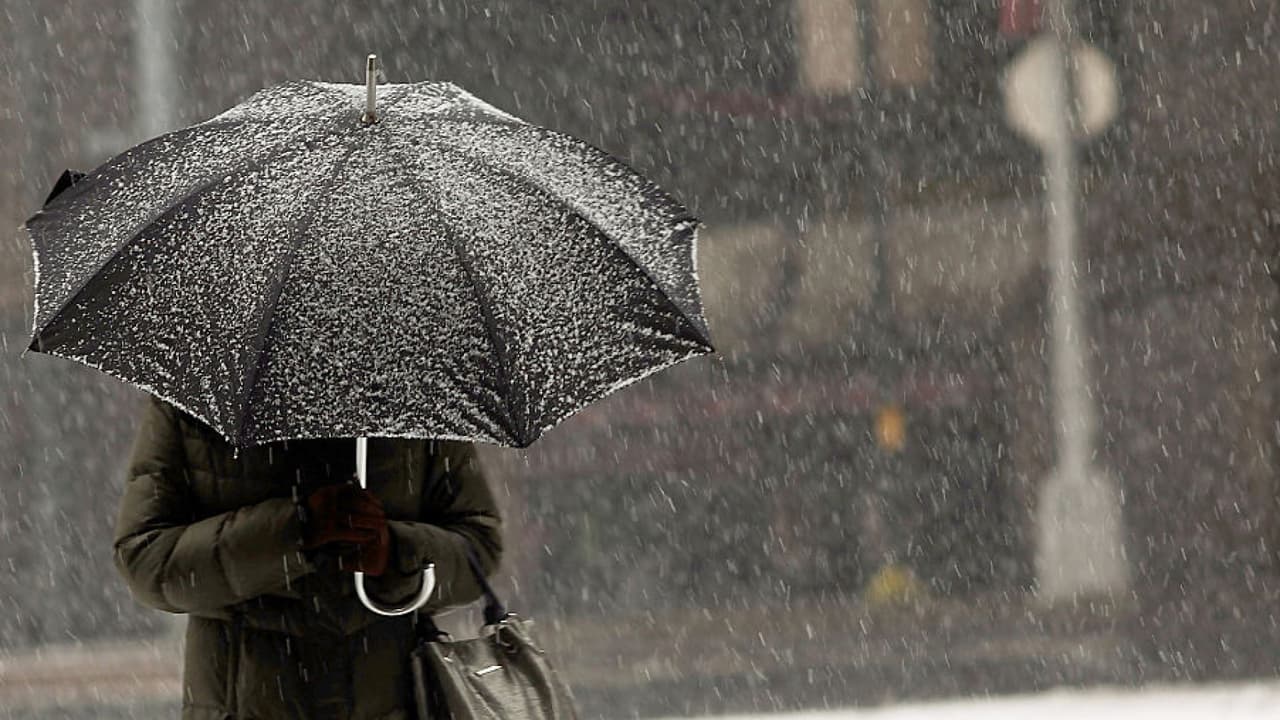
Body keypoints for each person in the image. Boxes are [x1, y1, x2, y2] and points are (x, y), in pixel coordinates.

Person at [113, 395, 503, 720]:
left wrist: (395, 553)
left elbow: (478, 543)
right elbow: (147, 558)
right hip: (241, 701)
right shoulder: (200, 396)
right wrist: (293, 529)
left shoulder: (415, 394)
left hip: (388, 697)